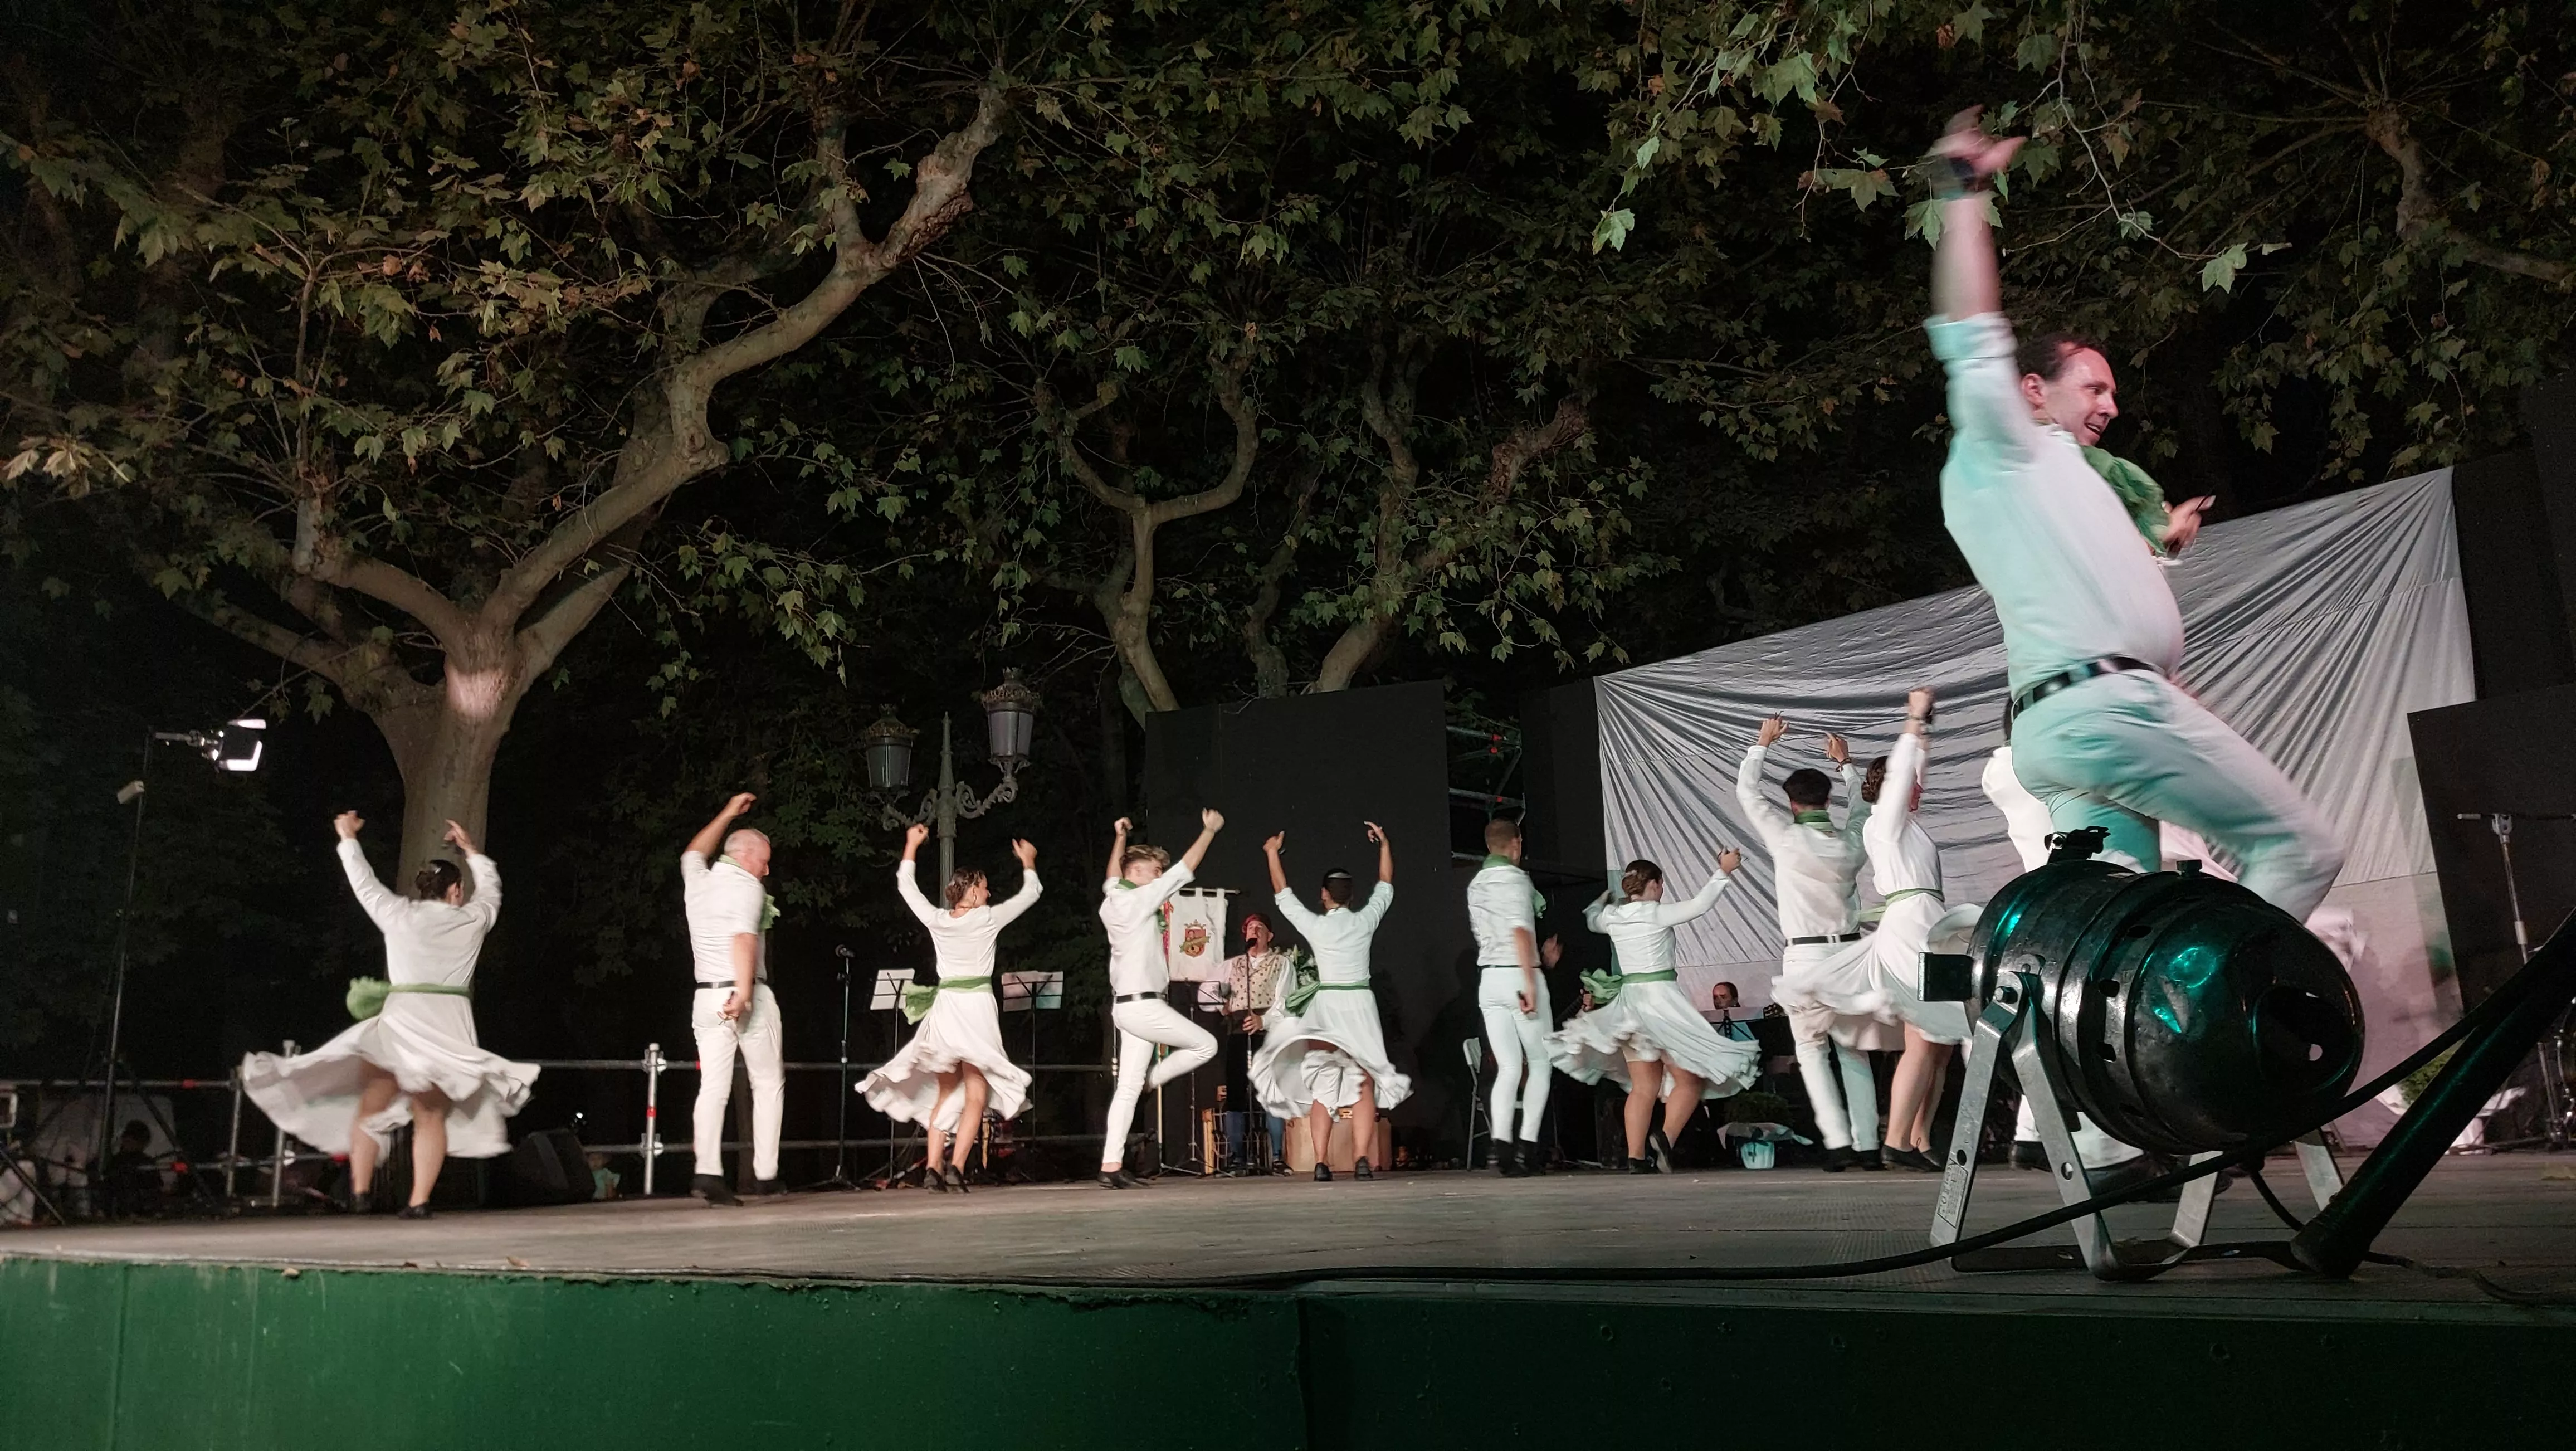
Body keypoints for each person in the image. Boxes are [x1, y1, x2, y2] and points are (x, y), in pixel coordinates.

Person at [1924, 105, 2344, 921]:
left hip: (2070, 726)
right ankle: (2203, 1013)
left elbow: (2103, 593)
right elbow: (1969, 336)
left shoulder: (2059, 479)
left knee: (2118, 926)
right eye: (2096, 386)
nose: (2113, 405)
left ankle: (2119, 1039)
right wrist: (1963, 193)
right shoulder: (2004, 445)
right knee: (2300, 851)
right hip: (2105, 710)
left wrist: (2165, 554)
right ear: (2033, 391)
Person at [242, 812, 536, 1219]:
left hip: (400, 1024)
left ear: (424, 889)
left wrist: (347, 838)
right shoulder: (473, 919)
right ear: (456, 890)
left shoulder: (399, 915)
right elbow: (493, 891)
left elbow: (363, 883)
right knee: (429, 1115)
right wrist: (472, 851)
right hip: (447, 1026)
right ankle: (418, 1202)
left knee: (372, 1105)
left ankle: (360, 1195)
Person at [1815, 689, 1974, 1171]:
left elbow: (1913, 769)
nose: (1921, 786)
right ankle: (1898, 1140)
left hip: (1929, 926)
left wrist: (1922, 729)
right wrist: (1911, 718)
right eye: (1911, 783)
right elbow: (1905, 771)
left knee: (1940, 1046)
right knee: (1926, 1037)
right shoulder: (1885, 825)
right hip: (1911, 931)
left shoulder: (1904, 822)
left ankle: (1918, 1138)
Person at [1738, 717, 1889, 1171]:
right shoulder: (1848, 844)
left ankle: (1839, 1143)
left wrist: (1761, 745)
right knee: (1854, 1051)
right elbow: (1864, 809)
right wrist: (1847, 766)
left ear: (1791, 802)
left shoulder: (1786, 839)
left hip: (1805, 955)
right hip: (1847, 953)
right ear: (1826, 800)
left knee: (1811, 1050)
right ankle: (1867, 1147)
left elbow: (1748, 794)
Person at [1548, 854, 1761, 1172]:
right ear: (1652, 884)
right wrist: (1723, 871)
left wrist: (1600, 902)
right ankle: (1664, 1138)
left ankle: (1635, 1158)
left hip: (1631, 1006)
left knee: (1643, 1087)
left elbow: (1593, 919)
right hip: (1663, 1004)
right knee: (1690, 1081)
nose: (1663, 889)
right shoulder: (1656, 914)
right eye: (1660, 884)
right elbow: (1701, 905)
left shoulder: (1613, 918)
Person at [862, 824, 1042, 1194]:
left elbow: (906, 888)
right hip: (976, 1008)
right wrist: (1029, 862)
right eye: (987, 887)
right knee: (976, 1092)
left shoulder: (940, 921)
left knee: (947, 1092)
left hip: (946, 1009)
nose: (990, 893)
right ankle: (956, 1166)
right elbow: (1032, 893)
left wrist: (911, 845)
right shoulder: (987, 919)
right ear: (974, 891)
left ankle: (932, 1167)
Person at [1250, 822, 1411, 1182]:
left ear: (1324, 895)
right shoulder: (1365, 920)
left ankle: (1321, 1162)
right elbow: (1386, 885)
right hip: (1360, 1005)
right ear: (1351, 896)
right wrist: (1384, 843)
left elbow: (1282, 894)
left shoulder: (1316, 926)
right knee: (1363, 1082)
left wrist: (1272, 853)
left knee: (1324, 1082)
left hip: (1328, 1006)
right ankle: (1361, 1161)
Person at [1096, 811, 1226, 1189]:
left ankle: (1110, 1165)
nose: (1158, 875)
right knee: (1206, 1044)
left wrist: (1119, 836)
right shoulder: (1137, 900)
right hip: (1145, 1006)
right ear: (1136, 873)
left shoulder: (1115, 898)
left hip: (1127, 1005)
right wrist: (1209, 830)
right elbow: (1185, 867)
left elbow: (1110, 877)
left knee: (1126, 1091)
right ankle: (1156, 1078)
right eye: (1154, 870)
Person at [681, 792, 783, 1207]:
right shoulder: (747, 888)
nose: (767, 868)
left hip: (704, 995)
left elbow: (693, 851)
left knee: (713, 1087)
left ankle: (707, 1169)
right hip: (745, 992)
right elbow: (743, 938)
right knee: (767, 1081)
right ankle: (765, 1172)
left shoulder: (699, 880)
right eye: (764, 860)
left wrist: (725, 812)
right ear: (745, 857)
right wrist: (743, 993)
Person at [1466, 817, 1560, 1176]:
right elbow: (1520, 931)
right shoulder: (1516, 879)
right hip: (1519, 976)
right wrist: (1532, 981)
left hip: (1489, 980)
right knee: (1539, 1063)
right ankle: (1529, 1149)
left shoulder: (1476, 883)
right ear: (1517, 844)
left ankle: (1502, 1146)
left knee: (1507, 1066)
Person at [1220, 912, 1295, 1172]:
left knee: (1271, 1093)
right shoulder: (1232, 964)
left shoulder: (1281, 963)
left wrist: (1264, 1021)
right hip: (1238, 1033)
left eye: (1260, 927)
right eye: (1250, 927)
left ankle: (1276, 1156)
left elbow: (1286, 1001)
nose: (1255, 931)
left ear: (1269, 936)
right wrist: (1224, 1007)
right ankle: (1237, 1157)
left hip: (1268, 1033)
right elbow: (1214, 995)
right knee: (1236, 1094)